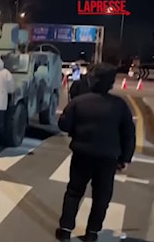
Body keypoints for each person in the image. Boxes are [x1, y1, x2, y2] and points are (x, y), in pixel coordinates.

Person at [55, 63, 136, 242]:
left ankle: (66, 229)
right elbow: (129, 134)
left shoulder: (79, 102)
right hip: (108, 158)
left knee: (74, 192)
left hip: (81, 154)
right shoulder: (119, 105)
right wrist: (125, 158)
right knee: (102, 196)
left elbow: (63, 124)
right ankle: (92, 233)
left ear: (93, 80)